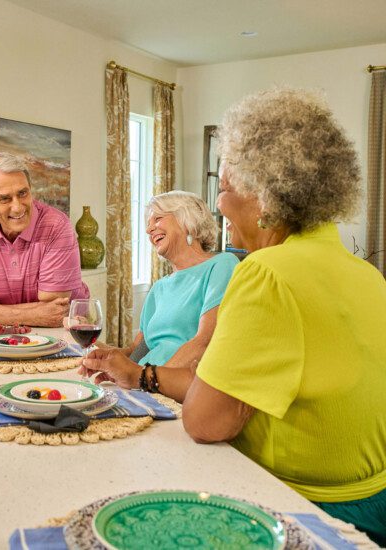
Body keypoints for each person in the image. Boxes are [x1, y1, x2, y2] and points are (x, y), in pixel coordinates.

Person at [82, 88, 386, 545]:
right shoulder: (367, 275)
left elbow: (207, 422)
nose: (219, 205)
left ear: (263, 196)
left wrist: (146, 377)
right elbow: (230, 387)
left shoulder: (265, 272)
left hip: (301, 508)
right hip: (373, 502)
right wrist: (141, 374)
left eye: (223, 189)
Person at [0, 152, 89, 328]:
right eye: (5, 198)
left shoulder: (57, 225)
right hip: (3, 332)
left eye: (23, 193)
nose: (18, 207)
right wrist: (33, 314)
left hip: (67, 328)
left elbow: (56, 310)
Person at [114, 191, 238, 370]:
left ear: (186, 220)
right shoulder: (159, 288)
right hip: (145, 382)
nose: (149, 230)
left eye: (157, 219)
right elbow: (136, 351)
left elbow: (204, 343)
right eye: (148, 225)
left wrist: (145, 380)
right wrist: (101, 354)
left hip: (172, 387)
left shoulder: (222, 265)